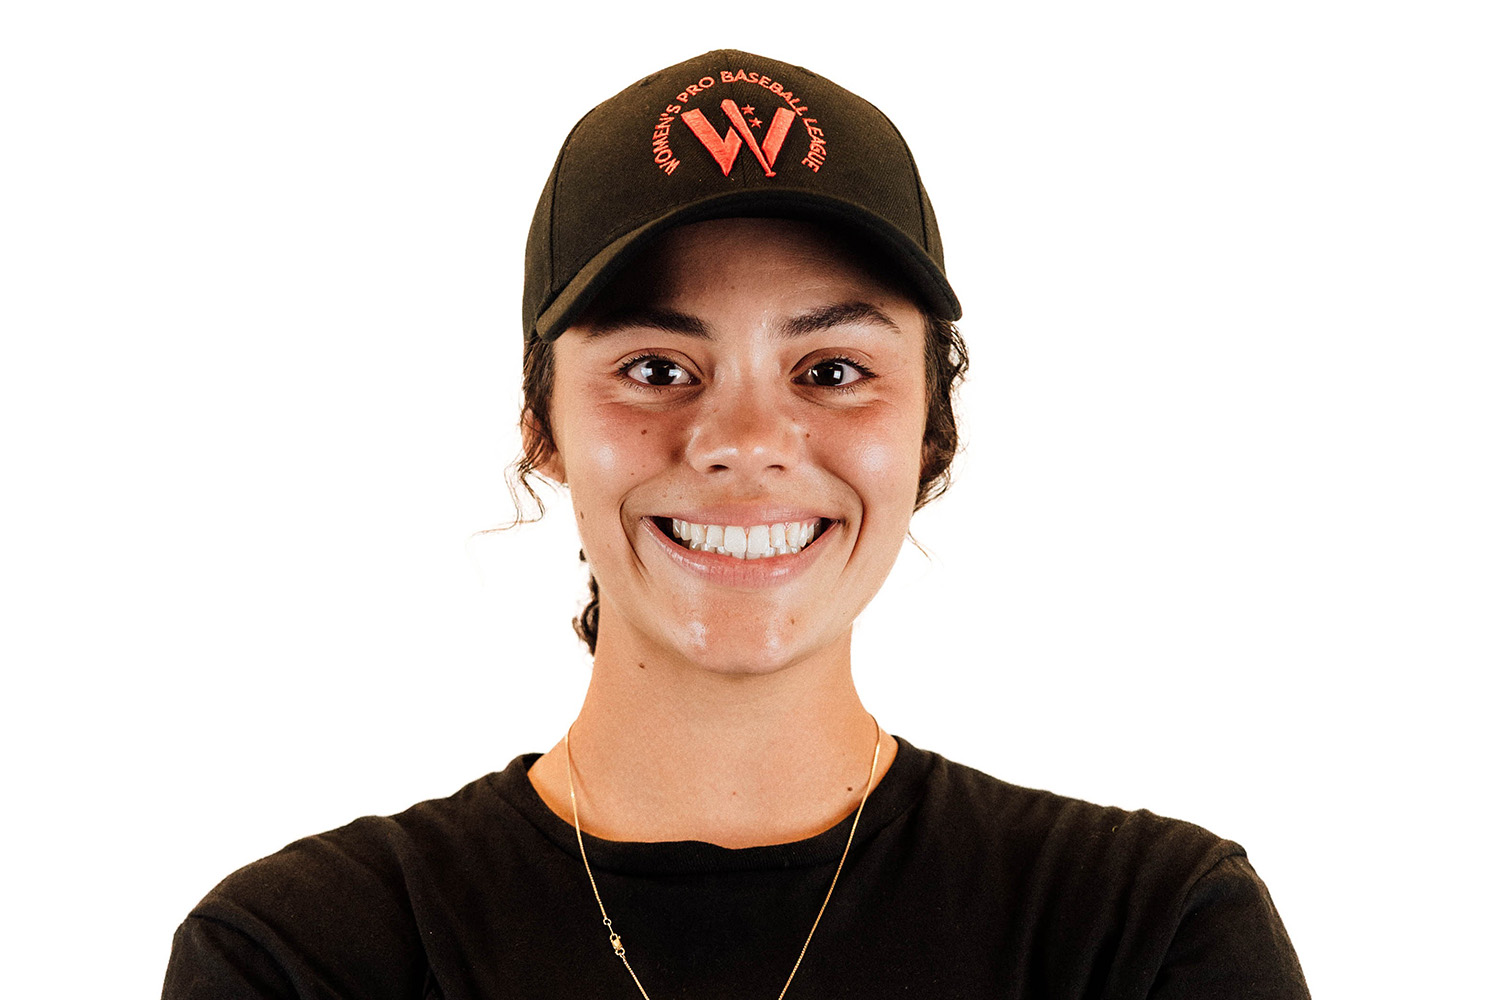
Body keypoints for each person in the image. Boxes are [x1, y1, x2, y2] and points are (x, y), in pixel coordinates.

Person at [162, 49, 1310, 999]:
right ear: (541, 423)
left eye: (832, 368)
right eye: (658, 366)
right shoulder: (307, 959)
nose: (745, 438)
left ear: (930, 429)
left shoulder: (1144, 937)